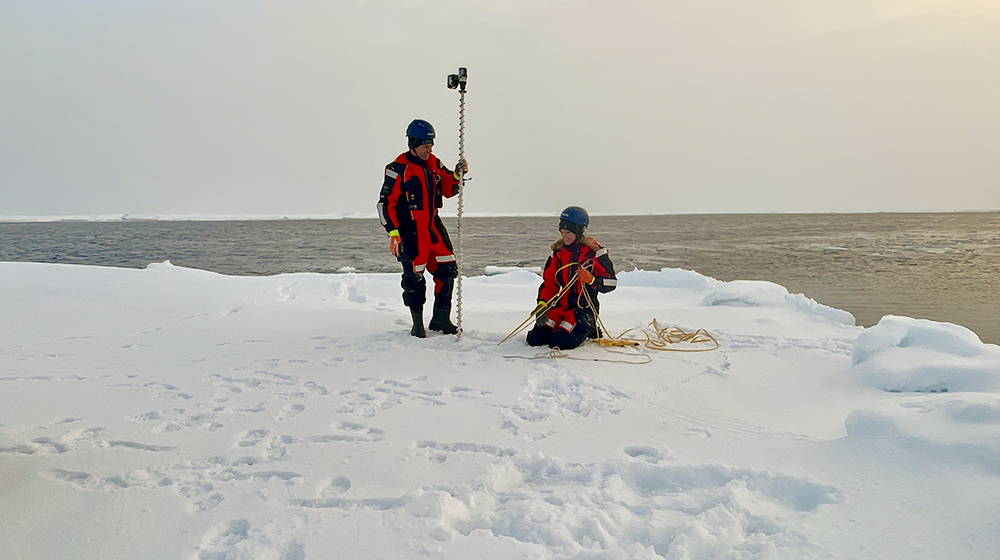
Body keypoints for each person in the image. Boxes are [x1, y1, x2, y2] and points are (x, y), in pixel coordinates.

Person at [377, 119, 468, 337]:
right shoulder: (397, 169)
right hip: (410, 232)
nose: (430, 149)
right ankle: (417, 324)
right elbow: (384, 204)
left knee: (447, 270)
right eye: (425, 145)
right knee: (413, 278)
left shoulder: (434, 163)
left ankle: (440, 320)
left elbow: (447, 188)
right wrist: (394, 233)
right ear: (414, 144)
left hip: (433, 227)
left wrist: (457, 175)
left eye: (431, 145)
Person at [526, 206, 617, 350]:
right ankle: (563, 325)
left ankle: (590, 328)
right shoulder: (558, 252)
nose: (564, 236)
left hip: (584, 309)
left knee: (560, 342)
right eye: (562, 232)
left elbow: (611, 283)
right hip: (562, 306)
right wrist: (542, 304)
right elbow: (550, 282)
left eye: (568, 232)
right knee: (535, 339)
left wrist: (591, 279)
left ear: (579, 231)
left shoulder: (595, 253)